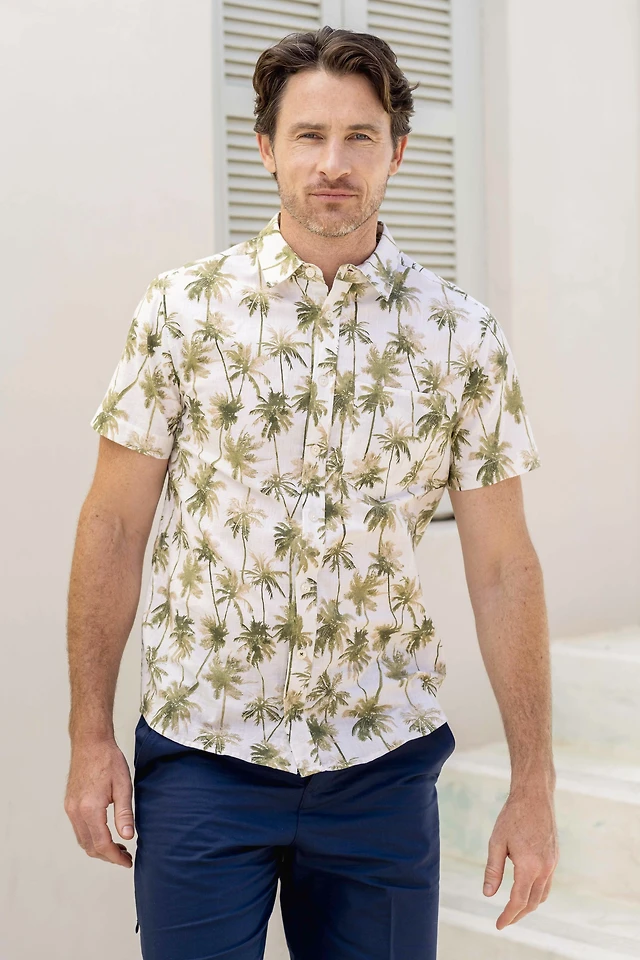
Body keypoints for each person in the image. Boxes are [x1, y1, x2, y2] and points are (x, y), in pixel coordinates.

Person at [64, 25, 558, 960]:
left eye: (360, 136)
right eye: (308, 135)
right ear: (266, 147)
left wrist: (534, 781)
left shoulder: (463, 338)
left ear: (397, 150)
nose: (334, 162)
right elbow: (114, 524)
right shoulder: (181, 312)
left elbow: (504, 566)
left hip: (383, 769)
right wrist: (90, 736)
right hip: (204, 756)